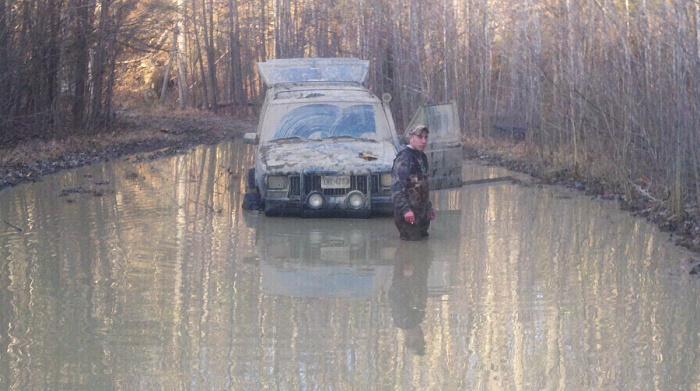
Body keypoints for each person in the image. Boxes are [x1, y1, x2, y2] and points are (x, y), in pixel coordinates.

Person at [391, 125, 436, 241]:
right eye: (420, 137)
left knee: (424, 251)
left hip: (422, 214)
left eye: (426, 137)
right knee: (410, 250)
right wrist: (406, 210)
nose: (424, 141)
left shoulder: (422, 157)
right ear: (411, 138)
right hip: (408, 215)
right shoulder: (404, 158)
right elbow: (397, 189)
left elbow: (423, 186)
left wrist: (429, 207)